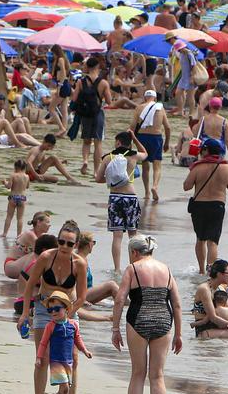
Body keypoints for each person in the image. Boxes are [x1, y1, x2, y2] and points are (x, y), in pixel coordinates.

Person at [111, 236, 182, 394]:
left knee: (137, 373)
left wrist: (115, 329)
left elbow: (120, 299)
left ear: (134, 252)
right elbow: (176, 304)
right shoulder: (166, 269)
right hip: (163, 321)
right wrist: (179, 334)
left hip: (138, 319)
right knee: (157, 375)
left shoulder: (132, 269)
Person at [18, 222, 89, 394]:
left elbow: (82, 296)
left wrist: (66, 315)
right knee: (42, 358)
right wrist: (25, 314)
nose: (65, 247)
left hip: (68, 310)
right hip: (43, 308)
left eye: (70, 243)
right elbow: (30, 284)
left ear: (76, 245)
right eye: (61, 242)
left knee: (73, 359)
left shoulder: (79, 264)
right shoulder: (46, 257)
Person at [35, 291, 92, 394]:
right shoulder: (50, 326)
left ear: (66, 309)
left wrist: (85, 351)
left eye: (56, 309)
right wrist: (39, 357)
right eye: (50, 310)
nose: (53, 312)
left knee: (64, 389)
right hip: (56, 361)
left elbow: (78, 340)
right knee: (65, 387)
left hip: (68, 362)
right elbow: (43, 343)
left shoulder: (73, 325)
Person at [182, 138, 228, 274]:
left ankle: (201, 270)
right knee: (213, 242)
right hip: (217, 206)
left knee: (200, 239)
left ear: (206, 150)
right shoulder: (226, 167)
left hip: (199, 206)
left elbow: (186, 186)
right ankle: (211, 270)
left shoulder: (197, 167)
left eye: (202, 149)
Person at [95, 131, 145, 272]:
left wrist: (112, 178)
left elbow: (98, 179)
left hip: (115, 197)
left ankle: (117, 269)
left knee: (117, 236)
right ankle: (133, 266)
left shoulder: (108, 158)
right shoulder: (133, 155)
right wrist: (135, 138)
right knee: (132, 235)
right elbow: (145, 153)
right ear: (130, 143)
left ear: (118, 142)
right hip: (130, 197)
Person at [190, 259, 228, 339]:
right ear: (219, 274)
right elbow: (212, 317)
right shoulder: (204, 289)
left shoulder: (221, 288)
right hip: (205, 331)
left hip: (222, 326)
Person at [73, 55, 111, 173]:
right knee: (98, 142)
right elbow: (109, 102)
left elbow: (74, 98)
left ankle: (85, 161)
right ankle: (96, 170)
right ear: (97, 66)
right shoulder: (103, 83)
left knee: (86, 140)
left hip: (85, 114)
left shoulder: (80, 81)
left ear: (87, 67)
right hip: (97, 113)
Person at [133, 89, 170, 202]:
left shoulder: (139, 108)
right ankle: (155, 186)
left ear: (145, 98)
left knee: (145, 165)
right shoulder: (160, 108)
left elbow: (132, 126)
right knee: (157, 165)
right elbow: (168, 127)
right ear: (155, 98)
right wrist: (167, 142)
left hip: (142, 137)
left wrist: (132, 141)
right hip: (156, 137)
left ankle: (147, 192)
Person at [1, 158, 30, 237]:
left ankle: (4, 233)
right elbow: (27, 186)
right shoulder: (27, 176)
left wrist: (4, 182)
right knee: (20, 218)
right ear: (24, 168)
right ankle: (19, 235)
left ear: (16, 167)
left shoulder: (13, 175)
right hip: (22, 198)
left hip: (13, 197)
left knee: (9, 216)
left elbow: (8, 186)